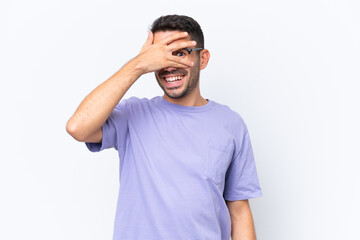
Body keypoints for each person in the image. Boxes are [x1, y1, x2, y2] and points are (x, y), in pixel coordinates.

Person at [66, 14, 262, 240]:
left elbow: (238, 210)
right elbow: (77, 127)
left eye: (179, 54)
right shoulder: (133, 115)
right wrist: (138, 64)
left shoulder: (231, 124)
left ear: (203, 59)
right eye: (160, 55)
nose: (169, 65)